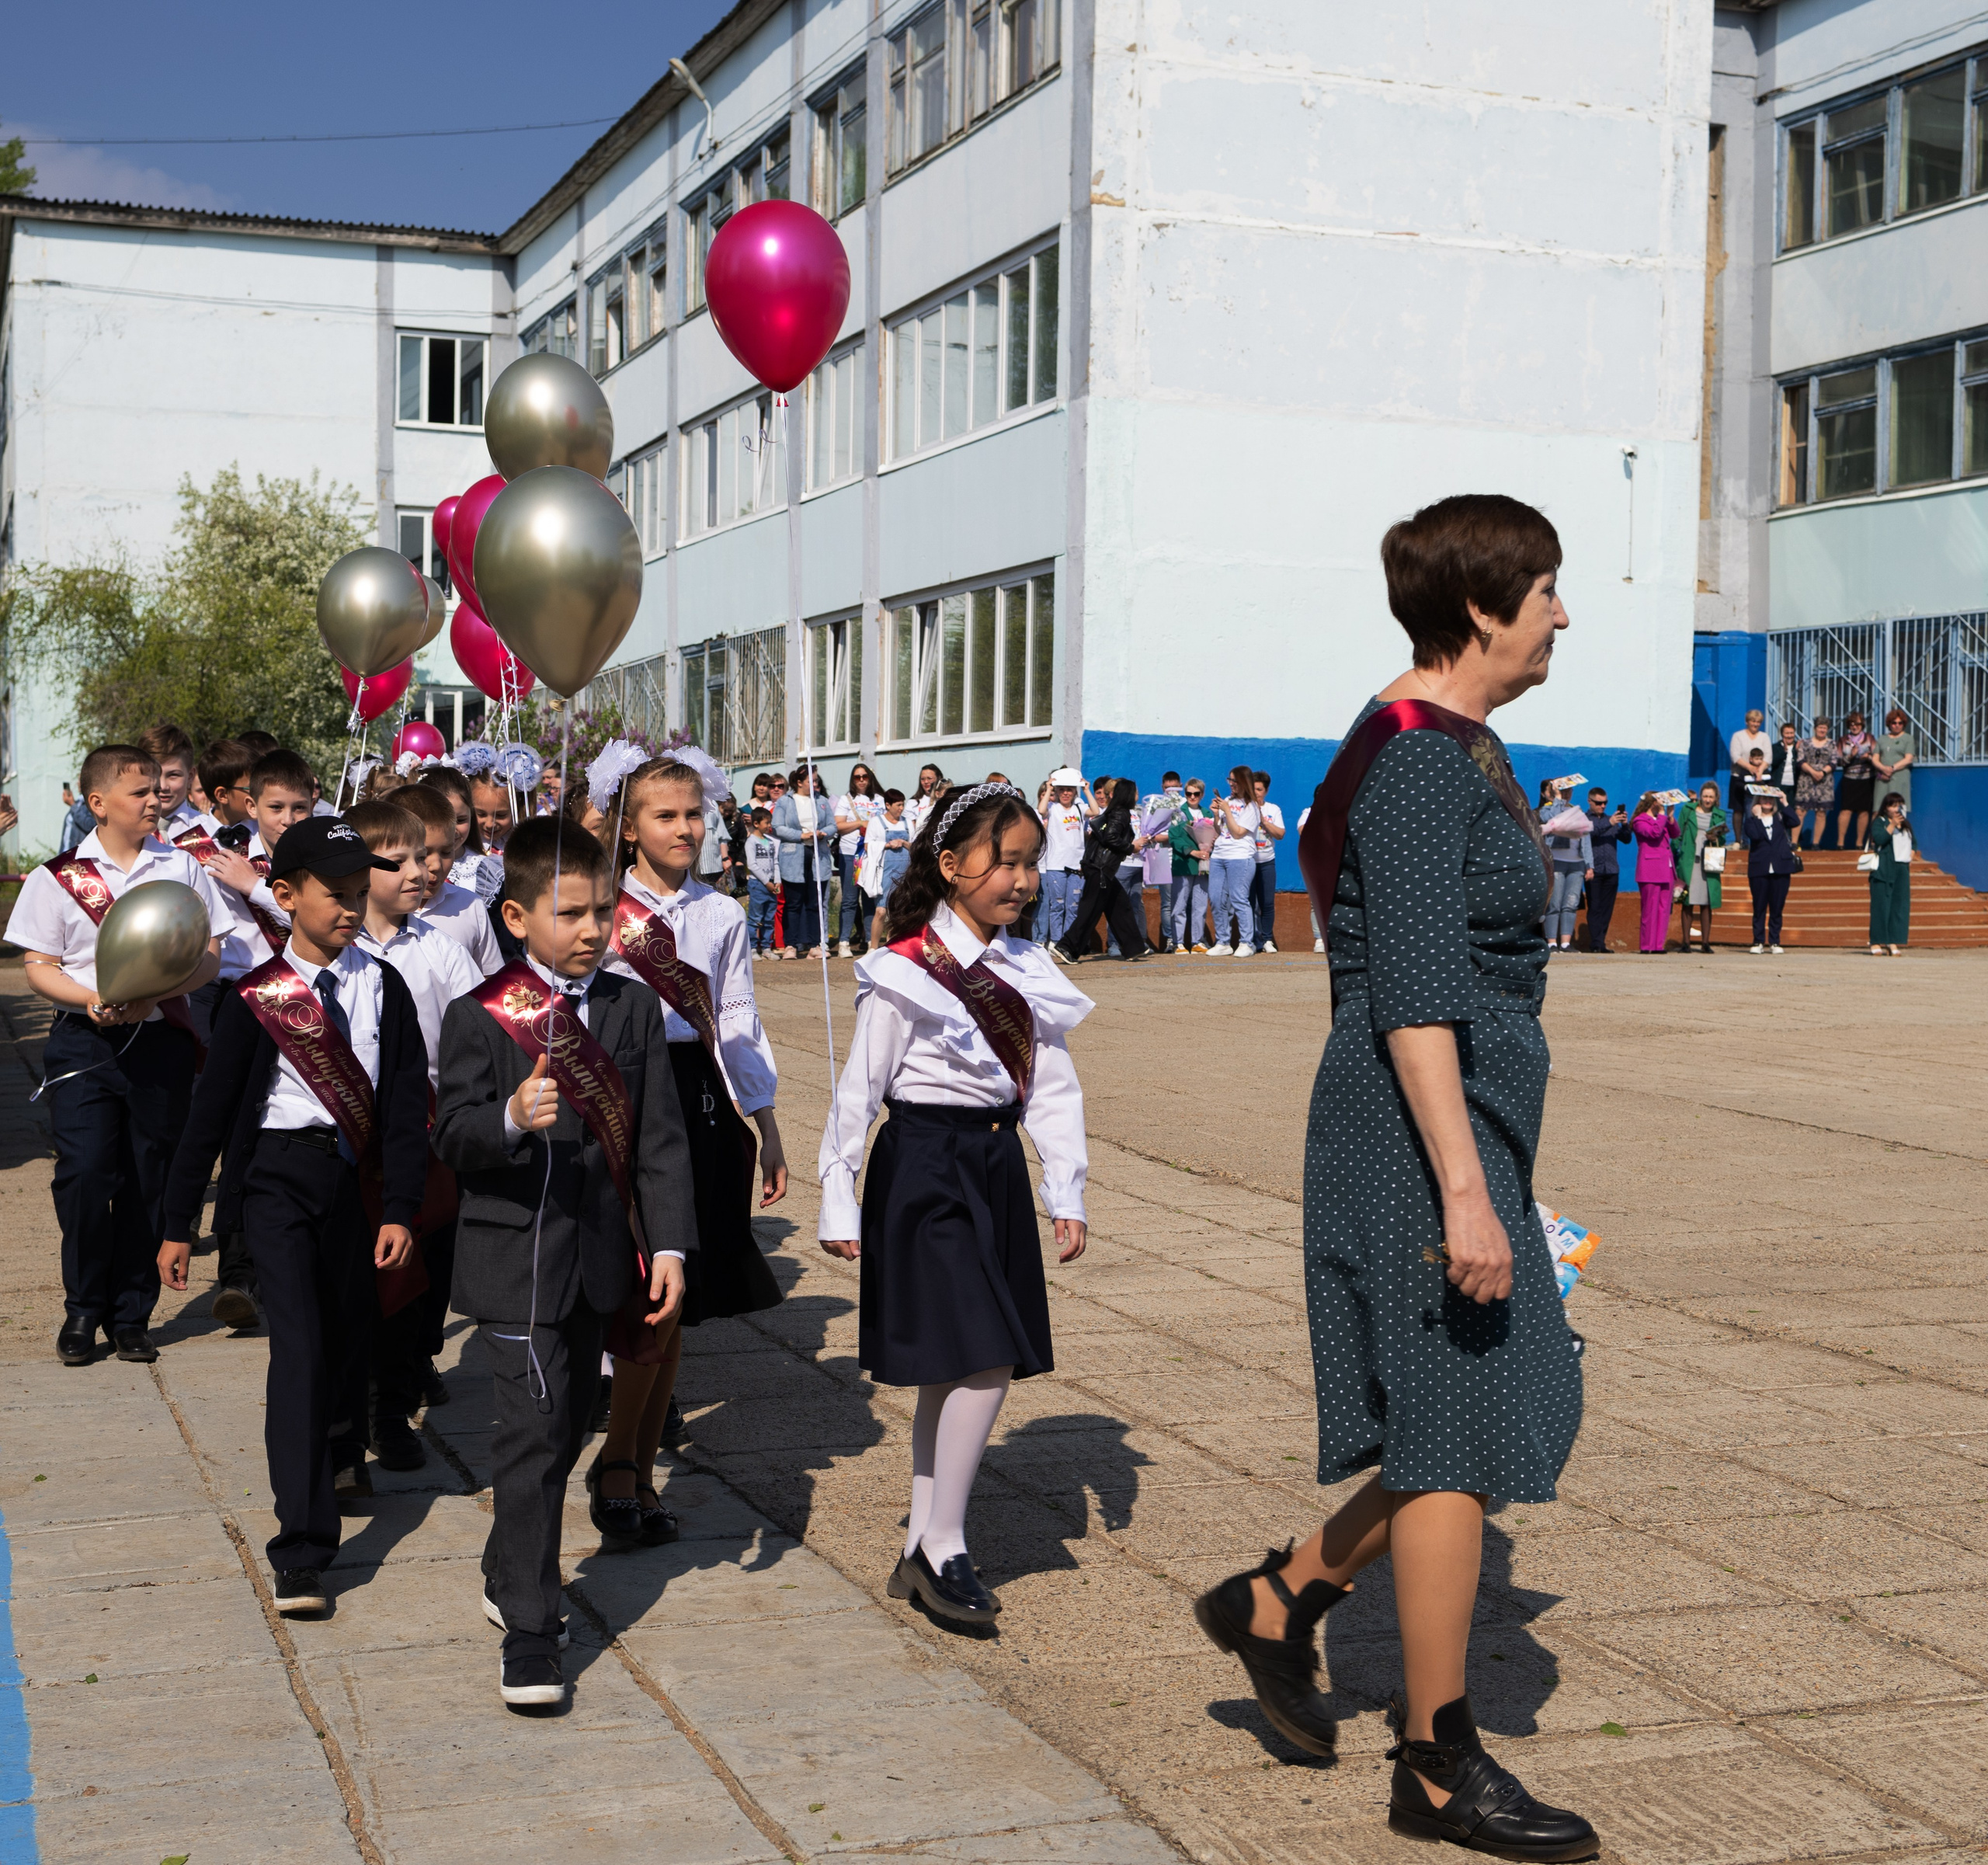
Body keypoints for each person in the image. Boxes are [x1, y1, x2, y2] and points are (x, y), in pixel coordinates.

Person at [1194, 493, 1592, 1859]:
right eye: (1544, 590)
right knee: (1456, 1434)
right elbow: (1414, 996)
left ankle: (1281, 1598)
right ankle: (1435, 1763)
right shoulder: (1420, 760)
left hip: (1451, 1126)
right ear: (1479, 607)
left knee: (1468, 1410)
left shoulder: (1444, 740)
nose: (1560, 613)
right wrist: (1467, 1191)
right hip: (1418, 1132)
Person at [431, 816, 696, 1707]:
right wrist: (508, 1118)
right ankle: (532, 1632)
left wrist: (668, 1244)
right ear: (515, 917)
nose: (590, 929)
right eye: (569, 912)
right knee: (533, 1435)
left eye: (601, 911)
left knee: (570, 1422)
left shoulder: (630, 1008)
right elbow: (452, 1135)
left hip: (601, 1260)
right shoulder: (478, 1015)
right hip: (514, 1262)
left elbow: (659, 1138)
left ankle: (508, 1561)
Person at [818, 784, 1091, 1626]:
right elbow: (860, 1088)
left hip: (994, 1165)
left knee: (960, 1362)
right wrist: (837, 1195)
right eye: (1004, 862)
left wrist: (1065, 1187)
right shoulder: (903, 966)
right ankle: (944, 1544)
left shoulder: (1027, 968)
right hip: (924, 1166)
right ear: (949, 864)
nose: (1022, 880)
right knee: (983, 1353)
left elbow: (1051, 1087)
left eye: (1031, 863)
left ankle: (925, 1542)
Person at [158, 816, 426, 1615]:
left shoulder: (385, 988)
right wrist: (178, 1221)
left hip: (354, 1186)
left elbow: (404, 1106)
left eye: (358, 892)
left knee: (346, 1335)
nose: (350, 906)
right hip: (276, 1182)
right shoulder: (258, 998)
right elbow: (210, 1114)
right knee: (300, 1350)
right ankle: (302, 1548)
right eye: (333, 892)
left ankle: (341, 1449)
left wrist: (401, 1208)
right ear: (284, 894)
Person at [599, 755, 787, 1543]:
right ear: (628, 827)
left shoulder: (722, 914)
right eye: (665, 815)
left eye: (693, 814)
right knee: (633, 1279)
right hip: (618, 1091)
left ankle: (633, 1466)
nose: (685, 828)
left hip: (695, 1095)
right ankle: (617, 1456)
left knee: (672, 1293)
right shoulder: (598, 906)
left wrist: (765, 1120)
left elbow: (736, 1017)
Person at [9, 743, 231, 1366]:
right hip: (83, 1040)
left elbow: (210, 955)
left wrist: (154, 993)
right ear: (98, 802)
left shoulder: (182, 867)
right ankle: (83, 1306)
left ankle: (131, 1313)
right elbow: (38, 965)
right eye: (140, 791)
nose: (156, 800)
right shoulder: (58, 876)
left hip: (159, 1039)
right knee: (83, 1173)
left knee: (147, 1177)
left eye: (158, 788)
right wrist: (90, 999)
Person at [344, 798, 485, 1455]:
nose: (419, 871)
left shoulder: (440, 949)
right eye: (397, 860)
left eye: (424, 857)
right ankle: (367, 1405)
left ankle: (398, 1400)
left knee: (422, 1271)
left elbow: (477, 1031)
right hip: (348, 1135)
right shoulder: (332, 947)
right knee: (361, 1276)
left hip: (424, 1132)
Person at [400, 782, 504, 975]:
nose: (436, 865)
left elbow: (490, 977)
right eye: (424, 854)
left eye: (447, 852)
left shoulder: (470, 906)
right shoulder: (376, 910)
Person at [1055, 778, 1148, 964]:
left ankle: (1133, 948)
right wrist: (1132, 847)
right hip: (1101, 869)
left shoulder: (1115, 811)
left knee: (1121, 906)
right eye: (1135, 792)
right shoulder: (1121, 813)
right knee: (1090, 910)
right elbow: (1110, 837)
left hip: (1102, 869)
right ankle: (1067, 947)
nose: (1137, 796)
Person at [772, 765, 836, 959]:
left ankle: (815, 944)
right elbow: (778, 827)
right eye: (811, 781)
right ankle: (791, 945)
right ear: (799, 783)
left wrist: (823, 833)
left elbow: (833, 825)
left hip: (818, 855)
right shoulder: (785, 801)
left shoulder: (822, 801)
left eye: (816, 780)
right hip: (794, 855)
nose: (815, 784)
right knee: (793, 903)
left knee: (815, 902)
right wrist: (801, 835)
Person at [1207, 764, 1262, 955]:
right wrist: (1216, 814)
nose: (1231, 784)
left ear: (1244, 782)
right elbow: (1220, 830)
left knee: (1239, 898)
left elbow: (1238, 833)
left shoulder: (1252, 806)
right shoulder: (1228, 801)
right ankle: (1223, 942)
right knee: (1216, 898)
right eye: (1229, 780)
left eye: (1234, 781)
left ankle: (1247, 942)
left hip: (1240, 856)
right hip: (1219, 855)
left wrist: (1227, 811)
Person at [832, 764, 884, 957]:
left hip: (872, 854)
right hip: (850, 854)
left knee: (870, 898)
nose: (861, 780)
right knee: (849, 900)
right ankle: (844, 942)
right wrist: (861, 823)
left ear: (870, 778)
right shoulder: (847, 799)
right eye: (857, 777)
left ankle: (871, 941)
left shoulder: (879, 799)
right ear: (853, 780)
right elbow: (838, 826)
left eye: (864, 776)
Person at [1741, 789, 1800, 953]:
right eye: (1764, 799)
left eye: (1770, 799)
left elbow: (1795, 821)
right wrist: (1758, 817)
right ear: (1758, 801)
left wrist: (1785, 802)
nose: (1767, 801)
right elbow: (1755, 836)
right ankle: (1758, 941)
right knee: (1759, 906)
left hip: (1781, 868)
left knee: (1777, 906)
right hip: (1760, 868)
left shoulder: (1780, 817)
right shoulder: (1751, 821)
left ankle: (1775, 941)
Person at [1673, 781, 1729, 954]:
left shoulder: (1720, 814)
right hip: (1689, 860)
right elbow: (1678, 833)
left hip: (1709, 862)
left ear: (1716, 798)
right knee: (1687, 901)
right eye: (1705, 796)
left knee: (1706, 902)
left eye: (1711, 797)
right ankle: (1686, 943)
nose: (1707, 800)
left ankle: (1705, 943)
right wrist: (1674, 854)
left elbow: (1723, 839)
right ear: (1700, 796)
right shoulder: (1688, 810)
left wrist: (1716, 838)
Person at [1037, 768, 1088, 947]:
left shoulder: (1079, 808)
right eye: (1062, 790)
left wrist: (1086, 789)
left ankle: (1068, 943)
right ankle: (1056, 941)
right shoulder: (1053, 808)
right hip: (1056, 866)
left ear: (1075, 792)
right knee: (1057, 906)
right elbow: (1041, 809)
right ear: (1057, 792)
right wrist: (1049, 787)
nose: (1066, 793)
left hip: (1077, 866)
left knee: (1073, 907)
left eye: (1070, 790)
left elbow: (1096, 811)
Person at [1537, 781, 1590, 953]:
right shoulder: (1547, 809)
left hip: (1576, 863)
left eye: (1569, 791)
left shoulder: (1577, 812)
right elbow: (1552, 820)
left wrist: (1589, 864)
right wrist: (1558, 800)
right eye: (1563, 791)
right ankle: (1552, 942)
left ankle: (1566, 943)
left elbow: (1586, 839)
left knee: (1571, 903)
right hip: (1556, 861)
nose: (1567, 794)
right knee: (1554, 903)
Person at [1582, 787, 1630, 952]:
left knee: (1607, 909)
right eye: (1598, 803)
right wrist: (1609, 823)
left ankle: (1601, 942)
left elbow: (1626, 839)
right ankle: (1596, 943)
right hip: (1593, 870)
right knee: (1595, 906)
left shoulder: (1612, 820)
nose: (1602, 806)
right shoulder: (1585, 819)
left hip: (1611, 870)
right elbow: (1590, 833)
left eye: (1605, 803)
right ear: (1590, 801)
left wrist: (1624, 825)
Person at [1167, 778, 1211, 953]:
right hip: (1184, 864)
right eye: (1189, 793)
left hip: (1203, 864)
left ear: (1202, 795)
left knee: (1200, 904)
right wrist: (1192, 852)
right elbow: (1174, 838)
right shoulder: (1178, 813)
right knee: (1179, 904)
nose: (1192, 797)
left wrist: (1208, 849)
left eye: (1196, 794)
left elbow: (1215, 835)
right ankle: (1178, 942)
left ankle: (1197, 941)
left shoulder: (1208, 813)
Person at [138, 723, 204, 838]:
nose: (163, 786)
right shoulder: (122, 831)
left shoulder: (210, 832)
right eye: (155, 775)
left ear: (190, 776)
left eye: (173, 775)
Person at [866, 789, 914, 945]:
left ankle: (892, 946)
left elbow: (915, 847)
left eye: (903, 804)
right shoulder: (876, 822)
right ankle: (873, 947)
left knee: (899, 912)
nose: (901, 808)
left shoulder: (908, 823)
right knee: (881, 911)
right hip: (885, 872)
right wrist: (887, 845)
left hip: (904, 872)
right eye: (898, 805)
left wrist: (904, 843)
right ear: (888, 805)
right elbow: (867, 845)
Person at [1866, 792, 1912, 955]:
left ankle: (1893, 941)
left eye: (1899, 805)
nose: (1896, 809)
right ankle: (1876, 941)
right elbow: (1879, 839)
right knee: (1881, 906)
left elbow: (1913, 842)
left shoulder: (1906, 825)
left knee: (1899, 906)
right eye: (1893, 805)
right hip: (1884, 869)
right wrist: (1892, 825)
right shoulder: (1880, 821)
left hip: (1901, 870)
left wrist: (1912, 852)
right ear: (1886, 808)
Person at [1631, 793, 1677, 953]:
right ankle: (1646, 945)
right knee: (1649, 909)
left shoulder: (1662, 819)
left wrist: (1670, 817)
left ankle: (1658, 945)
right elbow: (1654, 833)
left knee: (1663, 909)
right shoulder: (1640, 821)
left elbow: (1675, 833)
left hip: (1666, 868)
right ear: (1652, 803)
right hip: (1650, 869)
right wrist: (1663, 816)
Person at [1249, 771, 1285, 954]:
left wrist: (1263, 821)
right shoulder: (1244, 808)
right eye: (1253, 789)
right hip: (1247, 862)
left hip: (1267, 861)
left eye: (1259, 789)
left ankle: (1267, 939)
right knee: (1249, 903)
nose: (1256, 793)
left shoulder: (1273, 809)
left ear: (1266, 791)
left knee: (1267, 903)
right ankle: (1251, 940)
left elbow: (1280, 834)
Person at [1835, 711, 1877, 853]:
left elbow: (1877, 755)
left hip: (1866, 779)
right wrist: (1850, 756)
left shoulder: (1869, 738)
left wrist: (1869, 757)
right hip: (1849, 779)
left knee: (1863, 811)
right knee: (1846, 810)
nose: (1855, 727)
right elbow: (1839, 761)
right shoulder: (1843, 740)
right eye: (1852, 724)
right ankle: (1840, 843)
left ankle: (1859, 843)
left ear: (1862, 725)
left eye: (1858, 724)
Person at [743, 807, 781, 955]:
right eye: (767, 823)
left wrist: (777, 881)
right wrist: (767, 882)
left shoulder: (770, 842)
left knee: (769, 917)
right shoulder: (751, 842)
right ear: (756, 824)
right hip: (758, 885)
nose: (769, 826)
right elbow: (752, 865)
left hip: (771, 885)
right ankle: (752, 948)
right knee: (755, 918)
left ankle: (766, 947)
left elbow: (775, 862)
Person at [1795, 717, 1837, 848]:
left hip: (1825, 782)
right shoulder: (1805, 743)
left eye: (1825, 728)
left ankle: (1816, 843)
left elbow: (1834, 761)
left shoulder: (1832, 744)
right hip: (1806, 780)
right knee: (1800, 811)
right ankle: (1794, 842)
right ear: (1815, 728)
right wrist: (1813, 772)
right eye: (1820, 727)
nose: (1822, 730)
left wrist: (1822, 773)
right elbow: (1800, 760)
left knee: (1821, 812)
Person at [1727, 708, 1769, 819]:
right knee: (1738, 809)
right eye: (1753, 721)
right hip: (1739, 777)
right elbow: (1735, 756)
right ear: (1747, 722)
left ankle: (1754, 830)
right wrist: (1750, 767)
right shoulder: (1738, 736)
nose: (1756, 724)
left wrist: (1759, 771)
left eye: (1758, 722)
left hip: (1758, 779)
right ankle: (1738, 831)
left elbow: (1768, 757)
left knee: (1755, 808)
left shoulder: (1764, 737)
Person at [1873, 708, 1916, 816]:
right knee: (1878, 809)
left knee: (1899, 809)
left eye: (1900, 723)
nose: (1897, 725)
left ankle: (1898, 827)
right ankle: (1877, 827)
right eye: (1894, 723)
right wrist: (1883, 769)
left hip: (1900, 778)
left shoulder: (1908, 738)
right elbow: (1875, 759)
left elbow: (1908, 758)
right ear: (1889, 724)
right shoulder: (1882, 739)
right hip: (1883, 778)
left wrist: (1892, 768)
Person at [470, 773, 515, 860]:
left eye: (500, 815)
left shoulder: (525, 846)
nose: (490, 825)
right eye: (481, 814)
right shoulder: (462, 845)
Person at [1767, 721, 1802, 799]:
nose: (1789, 736)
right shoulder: (1776, 747)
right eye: (1787, 733)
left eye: (1791, 733)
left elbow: (1802, 764)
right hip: (1779, 784)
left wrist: (1797, 752)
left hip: (1795, 786)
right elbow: (1773, 762)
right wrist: (1784, 752)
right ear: (1782, 734)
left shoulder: (1798, 747)